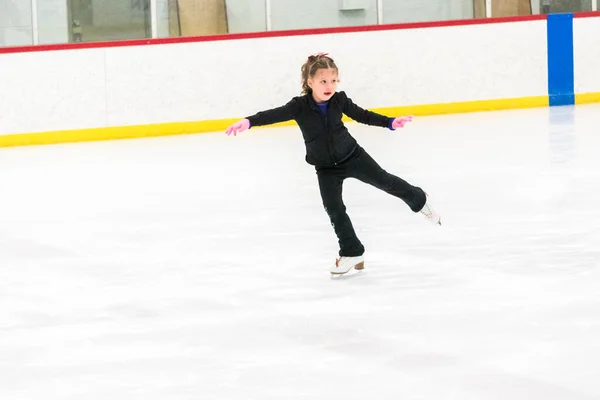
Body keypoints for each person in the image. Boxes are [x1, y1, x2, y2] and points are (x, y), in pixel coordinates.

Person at [225, 53, 441, 275]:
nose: (329, 86)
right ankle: (352, 251)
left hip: (353, 156)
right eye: (323, 81)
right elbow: (272, 115)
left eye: (334, 81)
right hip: (325, 168)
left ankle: (419, 199)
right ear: (310, 83)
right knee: (335, 209)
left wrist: (389, 122)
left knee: (384, 181)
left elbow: (361, 115)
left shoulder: (340, 100)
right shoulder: (298, 106)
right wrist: (248, 122)